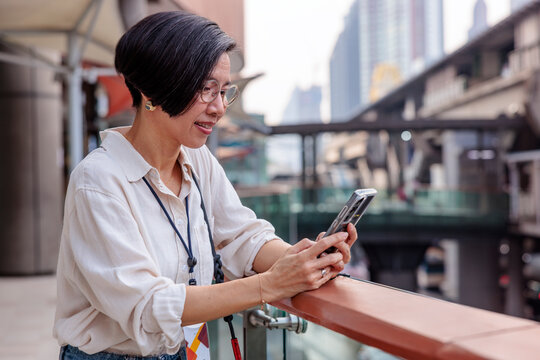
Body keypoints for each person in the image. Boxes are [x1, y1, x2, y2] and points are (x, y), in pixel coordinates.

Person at [54, 11, 357, 360]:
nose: (218, 108)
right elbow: (148, 305)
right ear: (151, 90)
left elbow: (242, 237)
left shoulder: (197, 160)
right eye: (205, 89)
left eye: (225, 92)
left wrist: (301, 259)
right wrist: (271, 284)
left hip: (185, 350)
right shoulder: (98, 182)